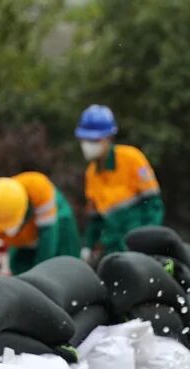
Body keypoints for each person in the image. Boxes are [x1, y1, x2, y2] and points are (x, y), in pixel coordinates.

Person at [75, 104, 164, 260]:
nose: (87, 144)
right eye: (85, 139)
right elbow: (95, 221)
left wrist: (149, 241)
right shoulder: (91, 174)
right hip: (113, 251)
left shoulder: (132, 159)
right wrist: (87, 247)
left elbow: (154, 206)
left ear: (108, 138)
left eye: (93, 139)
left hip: (139, 245)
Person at [0, 173, 81, 279]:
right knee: (21, 274)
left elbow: (48, 241)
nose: (6, 230)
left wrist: (41, 279)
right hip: (24, 240)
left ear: (24, 211)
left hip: (58, 225)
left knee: (64, 269)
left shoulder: (39, 189)